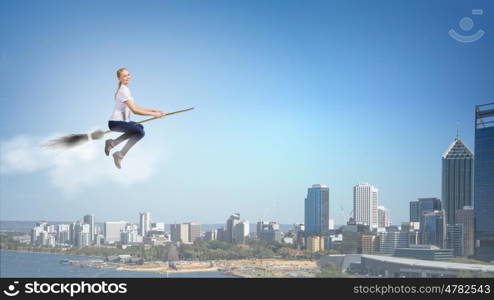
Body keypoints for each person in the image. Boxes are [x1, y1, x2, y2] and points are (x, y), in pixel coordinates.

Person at [105, 68, 165, 169]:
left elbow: (136, 107)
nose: (127, 77)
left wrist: (154, 111)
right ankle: (120, 154)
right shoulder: (123, 91)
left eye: (128, 74)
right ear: (119, 78)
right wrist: (153, 115)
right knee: (140, 132)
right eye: (124, 76)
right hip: (115, 123)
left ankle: (113, 143)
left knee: (140, 127)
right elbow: (135, 111)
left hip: (121, 122)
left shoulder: (126, 90)